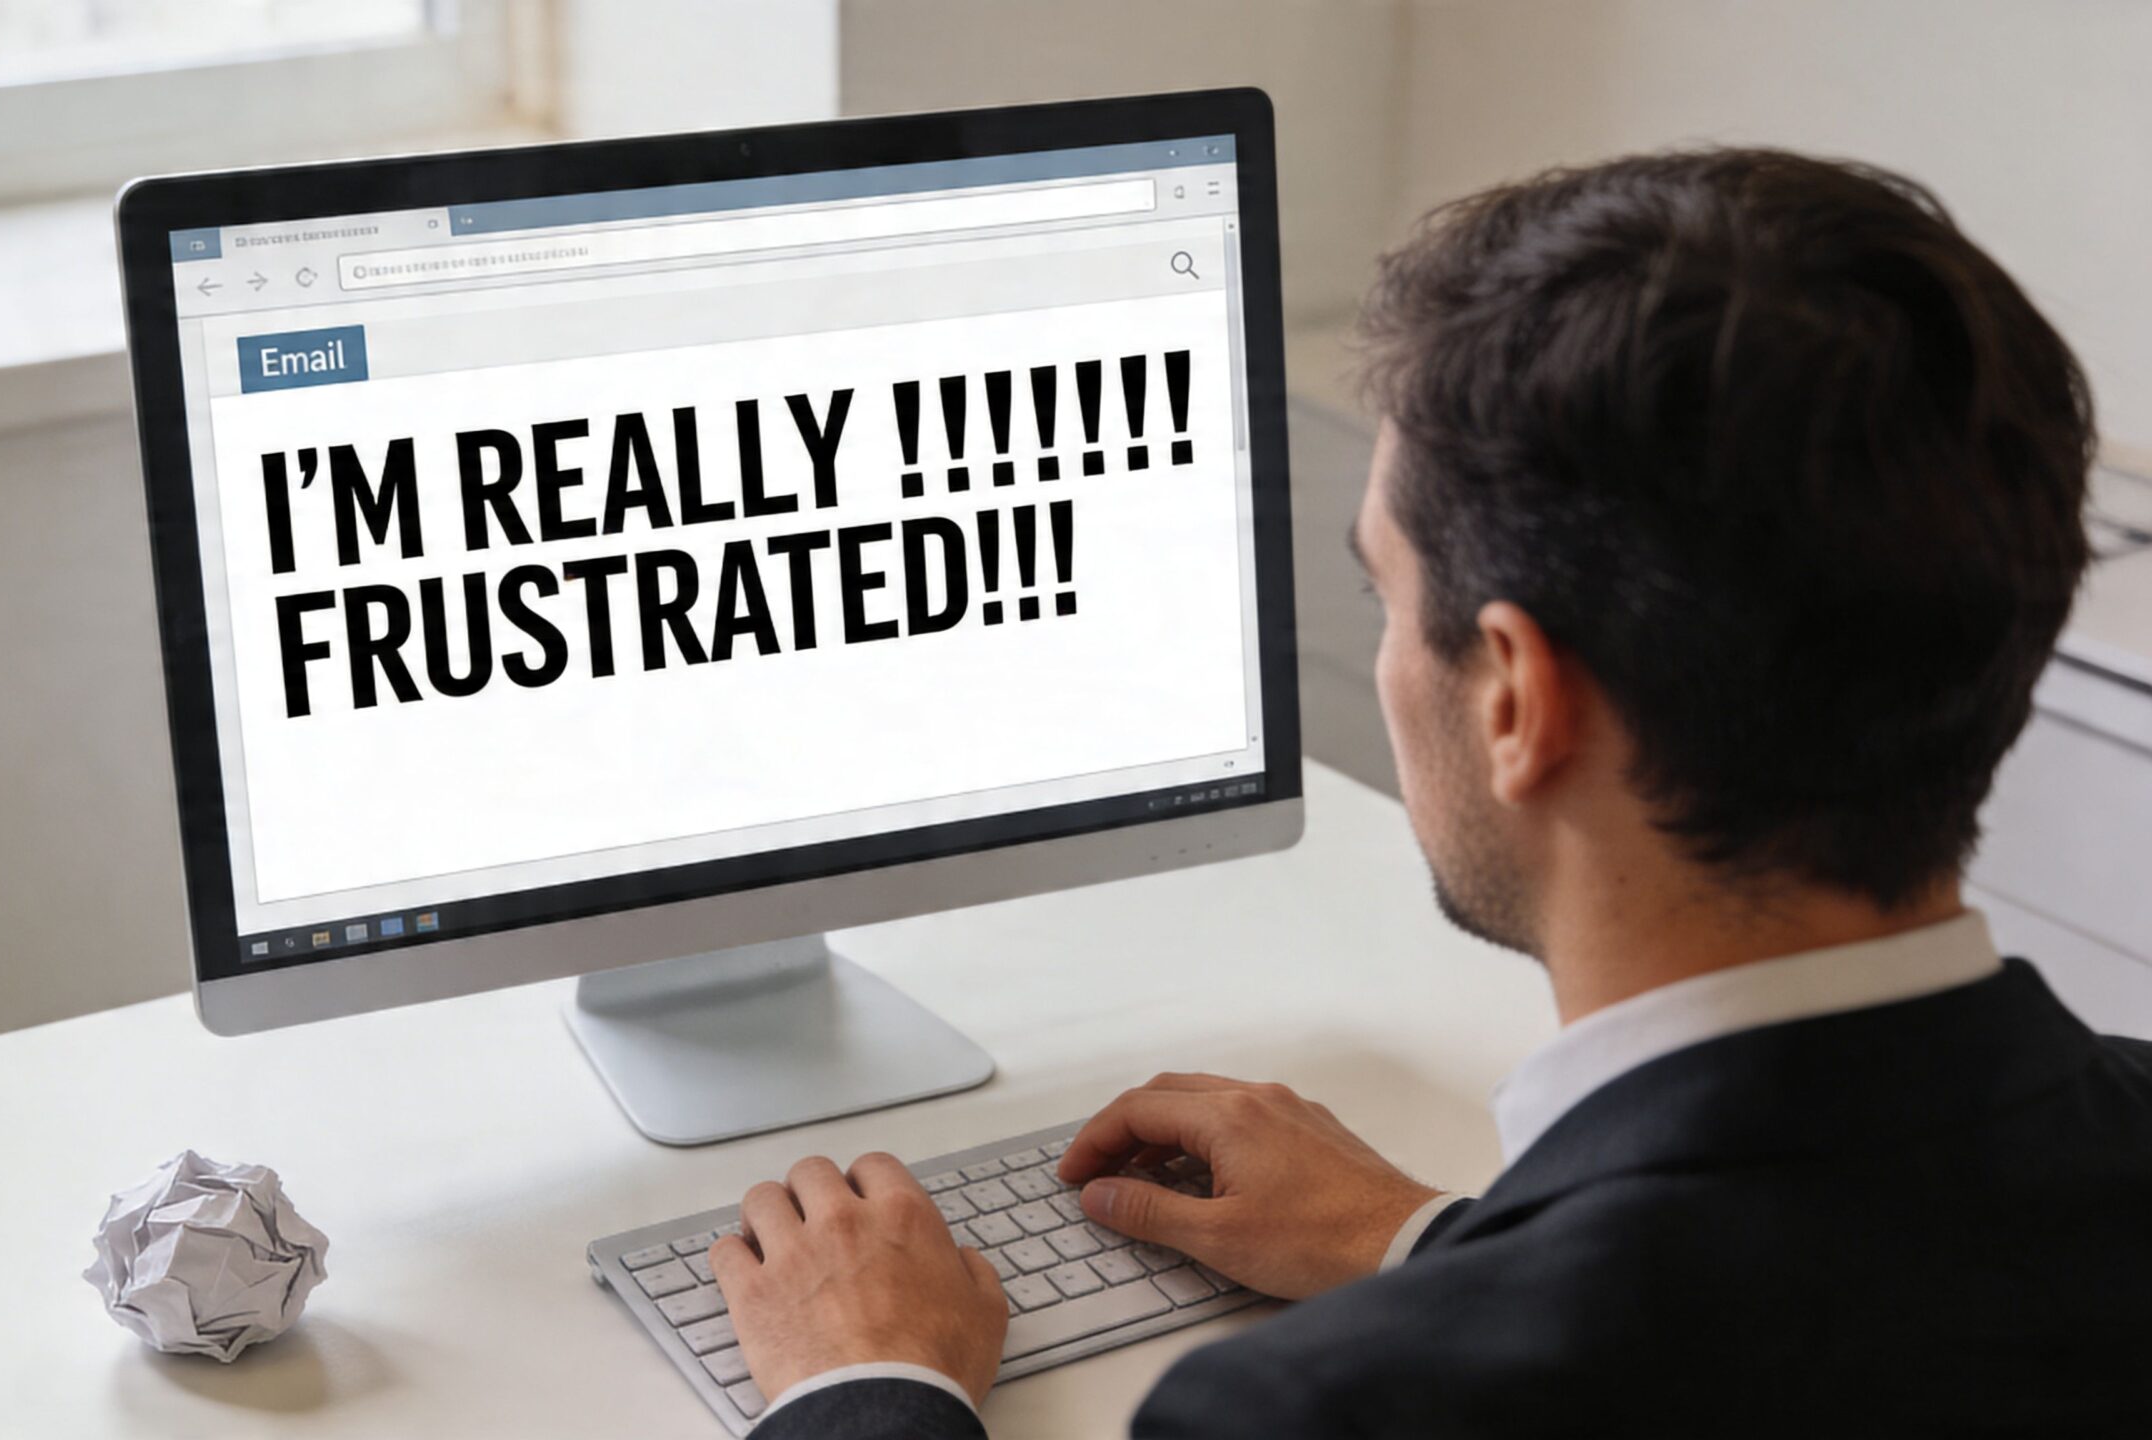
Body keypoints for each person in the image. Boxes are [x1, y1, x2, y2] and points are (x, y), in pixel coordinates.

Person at [708, 149, 2152, 1438]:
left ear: (1516, 699)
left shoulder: (1332, 1409)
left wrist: (866, 1389)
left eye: (1384, 596)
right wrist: (1439, 1244)